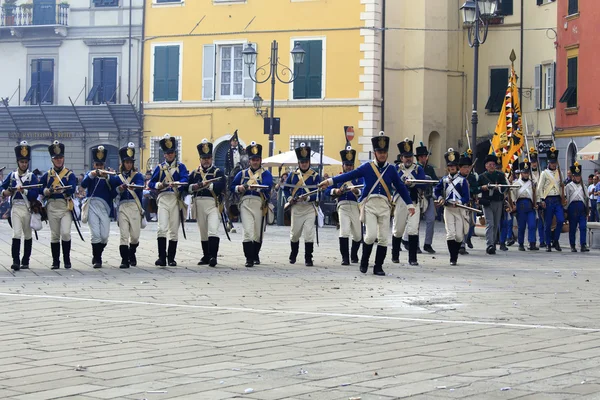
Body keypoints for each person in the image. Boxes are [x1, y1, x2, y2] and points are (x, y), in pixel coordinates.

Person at [319, 131, 415, 276]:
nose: (382, 154)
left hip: (384, 205)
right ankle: (364, 262)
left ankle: (378, 266)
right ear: (375, 153)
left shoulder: (391, 169)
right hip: (369, 204)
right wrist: (330, 181)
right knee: (370, 236)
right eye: (379, 151)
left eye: (384, 152)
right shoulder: (367, 167)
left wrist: (409, 205)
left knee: (383, 238)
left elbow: (401, 187)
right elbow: (349, 175)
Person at [148, 133, 189, 266]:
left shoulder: (181, 167)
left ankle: (171, 258)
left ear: (174, 153)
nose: (170, 155)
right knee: (162, 228)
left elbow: (185, 180)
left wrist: (177, 183)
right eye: (167, 153)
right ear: (164, 154)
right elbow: (151, 183)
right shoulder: (160, 168)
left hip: (175, 199)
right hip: (163, 198)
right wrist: (159, 185)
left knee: (173, 230)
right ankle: (161, 257)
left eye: (172, 152)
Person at [230, 141, 273, 268]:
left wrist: (257, 188)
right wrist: (240, 188)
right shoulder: (242, 174)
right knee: (248, 231)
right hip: (245, 203)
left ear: (260, 160)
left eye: (257, 159)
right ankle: (249, 258)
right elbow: (232, 186)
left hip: (259, 204)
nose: (255, 162)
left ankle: (255, 255)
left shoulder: (266, 174)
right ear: (249, 161)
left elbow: (268, 186)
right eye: (253, 159)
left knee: (258, 233)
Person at [1, 141, 39, 271]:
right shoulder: (12, 176)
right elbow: (3, 187)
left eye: (26, 162)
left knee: (28, 235)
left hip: (27, 207)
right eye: (22, 161)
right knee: (16, 233)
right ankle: (15, 260)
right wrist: (4, 192)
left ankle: (25, 260)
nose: (24, 164)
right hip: (16, 207)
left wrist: (24, 191)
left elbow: (35, 193)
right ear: (18, 162)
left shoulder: (31, 176)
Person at [40, 140, 77, 269]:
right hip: (52, 206)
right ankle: (56, 261)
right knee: (55, 235)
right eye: (56, 158)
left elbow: (73, 187)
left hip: (65, 205)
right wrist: (46, 191)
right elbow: (41, 188)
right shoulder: (48, 175)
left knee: (66, 233)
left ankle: (67, 259)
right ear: (52, 160)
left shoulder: (69, 174)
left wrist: (65, 190)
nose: (59, 160)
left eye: (60, 158)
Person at [283, 143, 321, 266]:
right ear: (299, 162)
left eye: (306, 161)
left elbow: (321, 193)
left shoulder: (315, 176)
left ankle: (308, 258)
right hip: (297, 208)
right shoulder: (293, 175)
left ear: (309, 162)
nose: (304, 164)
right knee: (294, 234)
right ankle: (293, 254)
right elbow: (285, 189)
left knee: (309, 234)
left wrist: (309, 197)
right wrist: (290, 198)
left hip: (309, 208)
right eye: (302, 162)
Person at [189, 139, 225, 267]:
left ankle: (213, 257)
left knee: (213, 230)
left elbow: (222, 186)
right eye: (204, 158)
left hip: (212, 204)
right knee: (203, 231)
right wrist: (196, 186)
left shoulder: (218, 172)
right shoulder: (194, 173)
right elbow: (187, 187)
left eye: (208, 158)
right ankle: (206, 255)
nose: (206, 160)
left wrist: (209, 186)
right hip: (199, 203)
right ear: (200, 159)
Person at [324, 146, 363, 266]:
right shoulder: (338, 178)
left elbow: (365, 189)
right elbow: (327, 190)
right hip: (343, 206)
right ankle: (345, 258)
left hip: (356, 206)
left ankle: (354, 254)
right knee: (344, 231)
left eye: (350, 164)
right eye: (347, 165)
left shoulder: (359, 177)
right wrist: (336, 191)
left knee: (357, 235)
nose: (349, 167)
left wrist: (357, 192)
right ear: (343, 166)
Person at [391, 139, 426, 266]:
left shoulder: (418, 169)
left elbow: (423, 183)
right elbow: (391, 184)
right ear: (401, 157)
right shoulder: (396, 169)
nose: (408, 159)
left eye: (410, 156)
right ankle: (395, 255)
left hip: (414, 200)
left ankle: (413, 258)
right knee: (398, 229)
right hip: (400, 200)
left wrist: (413, 183)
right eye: (406, 157)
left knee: (413, 229)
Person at [433, 149, 470, 265]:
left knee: (459, 236)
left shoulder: (463, 181)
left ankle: (455, 255)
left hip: (459, 209)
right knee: (451, 234)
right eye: (450, 166)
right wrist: (439, 198)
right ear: (448, 167)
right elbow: (436, 191)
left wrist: (460, 201)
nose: (452, 167)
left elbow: (466, 197)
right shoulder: (444, 180)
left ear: (457, 167)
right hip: (448, 208)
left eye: (454, 165)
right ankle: (452, 258)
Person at [110, 143, 145, 268]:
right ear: (123, 163)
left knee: (135, 236)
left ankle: (132, 253)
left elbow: (141, 187)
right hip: (123, 206)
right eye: (126, 162)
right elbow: (112, 192)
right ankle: (124, 260)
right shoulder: (116, 178)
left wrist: (133, 186)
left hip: (134, 206)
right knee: (124, 235)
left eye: (130, 162)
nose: (129, 164)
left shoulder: (138, 176)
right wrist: (120, 188)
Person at [81, 146, 114, 269]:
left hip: (104, 207)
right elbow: (83, 184)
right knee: (95, 234)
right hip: (92, 205)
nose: (99, 167)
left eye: (101, 165)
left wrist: (107, 176)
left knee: (104, 236)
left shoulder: (108, 176)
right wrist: (92, 175)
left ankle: (98, 254)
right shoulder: (90, 175)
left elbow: (115, 185)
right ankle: (97, 259)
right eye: (97, 164)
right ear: (94, 165)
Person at [477, 152, 509, 255]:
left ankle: (493, 242)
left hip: (498, 201)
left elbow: (505, 187)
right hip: (487, 202)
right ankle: (489, 244)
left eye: (493, 165)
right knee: (490, 223)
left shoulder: (500, 175)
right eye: (489, 164)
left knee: (495, 224)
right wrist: (483, 187)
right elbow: (476, 188)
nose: (491, 166)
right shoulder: (482, 177)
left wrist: (498, 187)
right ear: (486, 166)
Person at [537, 147, 565, 252]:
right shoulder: (544, 173)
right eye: (552, 163)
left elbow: (562, 186)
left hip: (557, 200)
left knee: (561, 220)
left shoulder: (559, 173)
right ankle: (548, 243)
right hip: (548, 200)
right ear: (549, 162)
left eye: (555, 163)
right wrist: (541, 200)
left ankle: (556, 240)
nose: (554, 165)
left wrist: (564, 197)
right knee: (548, 223)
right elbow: (540, 187)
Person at [415, 142, 438, 254]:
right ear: (419, 158)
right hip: (418, 196)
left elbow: (435, 181)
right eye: (422, 156)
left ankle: (428, 244)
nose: (424, 158)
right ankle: (415, 245)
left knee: (431, 219)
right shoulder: (415, 168)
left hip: (428, 196)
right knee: (416, 222)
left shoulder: (429, 168)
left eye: (425, 156)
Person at [511, 159, 538, 251]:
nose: (526, 174)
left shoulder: (532, 183)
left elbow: (536, 194)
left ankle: (532, 242)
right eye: (524, 173)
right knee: (521, 226)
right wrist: (513, 204)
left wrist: (537, 202)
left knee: (532, 225)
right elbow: (512, 195)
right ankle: (521, 243)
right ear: (521, 173)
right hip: (521, 206)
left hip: (530, 205)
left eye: (527, 173)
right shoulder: (516, 184)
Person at [565, 162, 589, 252]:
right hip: (572, 208)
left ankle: (583, 244)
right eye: (576, 176)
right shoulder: (568, 186)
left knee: (583, 227)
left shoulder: (584, 186)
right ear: (573, 177)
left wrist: (588, 209)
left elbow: (587, 198)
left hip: (581, 208)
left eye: (579, 176)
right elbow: (566, 198)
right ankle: (572, 245)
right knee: (572, 228)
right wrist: (566, 211)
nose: (578, 177)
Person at [458, 149, 478, 255]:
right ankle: (462, 244)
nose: (467, 169)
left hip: (470, 203)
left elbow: (476, 189)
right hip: (459, 203)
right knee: (461, 224)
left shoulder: (472, 177)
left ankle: (466, 239)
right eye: (464, 167)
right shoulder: (457, 177)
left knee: (469, 224)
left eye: (468, 167)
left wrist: (470, 189)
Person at [529, 148, 546, 248]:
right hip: (531, 199)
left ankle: (542, 240)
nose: (534, 164)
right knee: (532, 222)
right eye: (532, 162)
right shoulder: (528, 173)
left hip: (540, 198)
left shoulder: (541, 173)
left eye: (535, 162)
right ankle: (532, 240)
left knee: (541, 221)